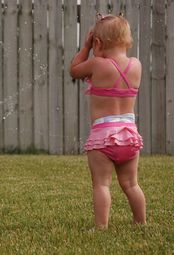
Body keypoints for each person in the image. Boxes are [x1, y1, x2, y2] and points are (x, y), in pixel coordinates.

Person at [69, 14, 146, 229]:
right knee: (131, 184)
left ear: (98, 43)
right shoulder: (136, 65)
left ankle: (101, 227)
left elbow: (74, 70)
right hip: (129, 134)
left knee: (101, 184)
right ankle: (141, 222)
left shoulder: (97, 64)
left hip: (103, 136)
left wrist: (85, 47)